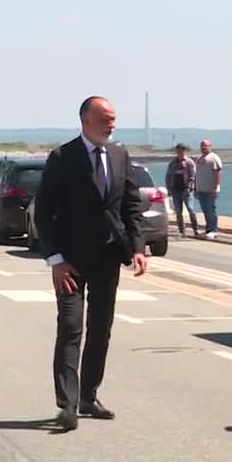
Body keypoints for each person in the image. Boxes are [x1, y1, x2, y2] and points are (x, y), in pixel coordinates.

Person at [35, 96, 148, 431]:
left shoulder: (119, 155)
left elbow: (130, 206)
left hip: (108, 256)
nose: (111, 125)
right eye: (105, 119)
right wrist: (55, 259)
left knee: (101, 329)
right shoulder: (62, 157)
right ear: (86, 120)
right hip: (69, 261)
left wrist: (139, 247)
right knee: (70, 327)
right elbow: (44, 212)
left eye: (113, 120)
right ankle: (67, 405)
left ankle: (89, 396)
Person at [165, 143, 198, 237]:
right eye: (179, 150)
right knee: (178, 212)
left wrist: (190, 187)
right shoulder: (172, 163)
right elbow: (168, 176)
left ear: (185, 151)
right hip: (175, 190)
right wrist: (169, 189)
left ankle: (195, 229)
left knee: (190, 209)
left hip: (186, 190)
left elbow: (193, 176)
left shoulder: (189, 162)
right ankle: (182, 231)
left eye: (182, 150)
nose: (180, 152)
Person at [195, 139, 224, 240]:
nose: (204, 147)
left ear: (210, 146)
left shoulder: (214, 158)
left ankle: (213, 230)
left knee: (211, 210)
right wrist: (195, 188)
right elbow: (197, 174)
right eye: (202, 145)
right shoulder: (199, 158)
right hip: (201, 189)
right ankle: (208, 229)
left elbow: (218, 172)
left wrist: (216, 187)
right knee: (205, 210)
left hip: (210, 190)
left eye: (206, 146)